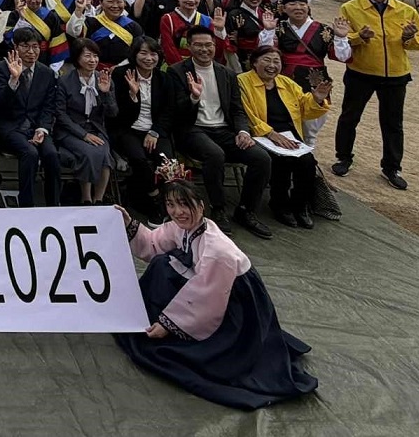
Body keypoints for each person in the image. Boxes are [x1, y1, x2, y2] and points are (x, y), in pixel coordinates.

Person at [113, 167, 318, 409]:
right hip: (211, 288)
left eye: (184, 204)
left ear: (200, 206)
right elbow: (154, 244)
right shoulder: (181, 227)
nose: (177, 212)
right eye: (170, 205)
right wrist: (129, 222)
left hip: (236, 298)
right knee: (162, 264)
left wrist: (168, 325)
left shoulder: (217, 249)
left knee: (209, 358)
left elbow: (206, 295)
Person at [164, 26, 274, 239]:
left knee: (261, 158)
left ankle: (246, 211)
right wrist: (194, 98)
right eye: (198, 45)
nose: (204, 49)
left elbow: (236, 109)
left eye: (208, 45)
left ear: (215, 46)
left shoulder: (227, 73)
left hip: (224, 130)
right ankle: (218, 208)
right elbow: (176, 111)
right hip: (193, 130)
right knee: (215, 154)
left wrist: (243, 131)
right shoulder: (176, 71)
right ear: (189, 46)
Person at [333, 0, 419, 191]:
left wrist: (408, 38)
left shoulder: (406, 10)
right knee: (349, 117)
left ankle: (392, 167)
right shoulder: (350, 8)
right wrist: (359, 37)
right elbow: (342, 39)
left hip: (396, 74)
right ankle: (343, 157)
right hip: (360, 73)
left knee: (393, 123)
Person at [237, 45, 331, 229]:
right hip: (262, 134)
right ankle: (279, 204)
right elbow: (245, 113)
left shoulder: (286, 83)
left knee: (307, 162)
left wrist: (317, 99)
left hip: (289, 134)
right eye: (267, 60)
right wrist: (270, 134)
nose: (272, 65)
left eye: (276, 61)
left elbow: (305, 108)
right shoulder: (243, 81)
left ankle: (300, 205)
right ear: (254, 62)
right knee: (281, 161)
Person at [0, 28, 61, 207]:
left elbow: (48, 107)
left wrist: (42, 128)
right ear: (15, 47)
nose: (31, 52)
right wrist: (13, 81)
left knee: (52, 154)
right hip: (10, 127)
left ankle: (55, 205)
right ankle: (26, 206)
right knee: (29, 153)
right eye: (25, 47)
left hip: (35, 128)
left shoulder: (46, 73)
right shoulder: (0, 68)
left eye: (35, 47)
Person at [110, 36, 172, 220]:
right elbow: (117, 115)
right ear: (134, 54)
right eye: (143, 53)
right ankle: (155, 200)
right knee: (139, 159)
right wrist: (133, 95)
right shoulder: (122, 74)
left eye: (153, 54)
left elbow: (169, 111)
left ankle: (163, 200)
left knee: (167, 162)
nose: (149, 58)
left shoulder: (164, 78)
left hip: (154, 130)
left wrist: (155, 132)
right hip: (128, 129)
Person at [54, 39, 117, 205]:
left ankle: (99, 199)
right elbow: (60, 115)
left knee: (104, 154)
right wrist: (83, 135)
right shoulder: (64, 81)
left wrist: (105, 93)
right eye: (88, 56)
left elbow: (113, 113)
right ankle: (86, 198)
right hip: (71, 131)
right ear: (77, 58)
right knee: (89, 153)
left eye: (95, 56)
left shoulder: (103, 78)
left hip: (96, 129)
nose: (93, 60)